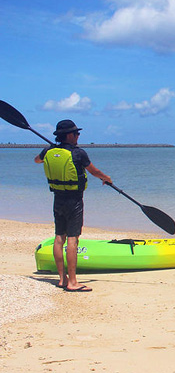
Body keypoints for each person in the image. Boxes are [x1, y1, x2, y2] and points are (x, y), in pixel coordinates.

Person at [34, 119, 112, 292]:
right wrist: (106, 178)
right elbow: (94, 172)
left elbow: (37, 161)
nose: (78, 136)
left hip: (58, 199)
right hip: (74, 201)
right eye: (76, 133)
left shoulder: (48, 151)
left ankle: (62, 279)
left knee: (59, 237)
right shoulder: (78, 153)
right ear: (69, 135)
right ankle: (73, 282)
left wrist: (52, 152)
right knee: (72, 239)